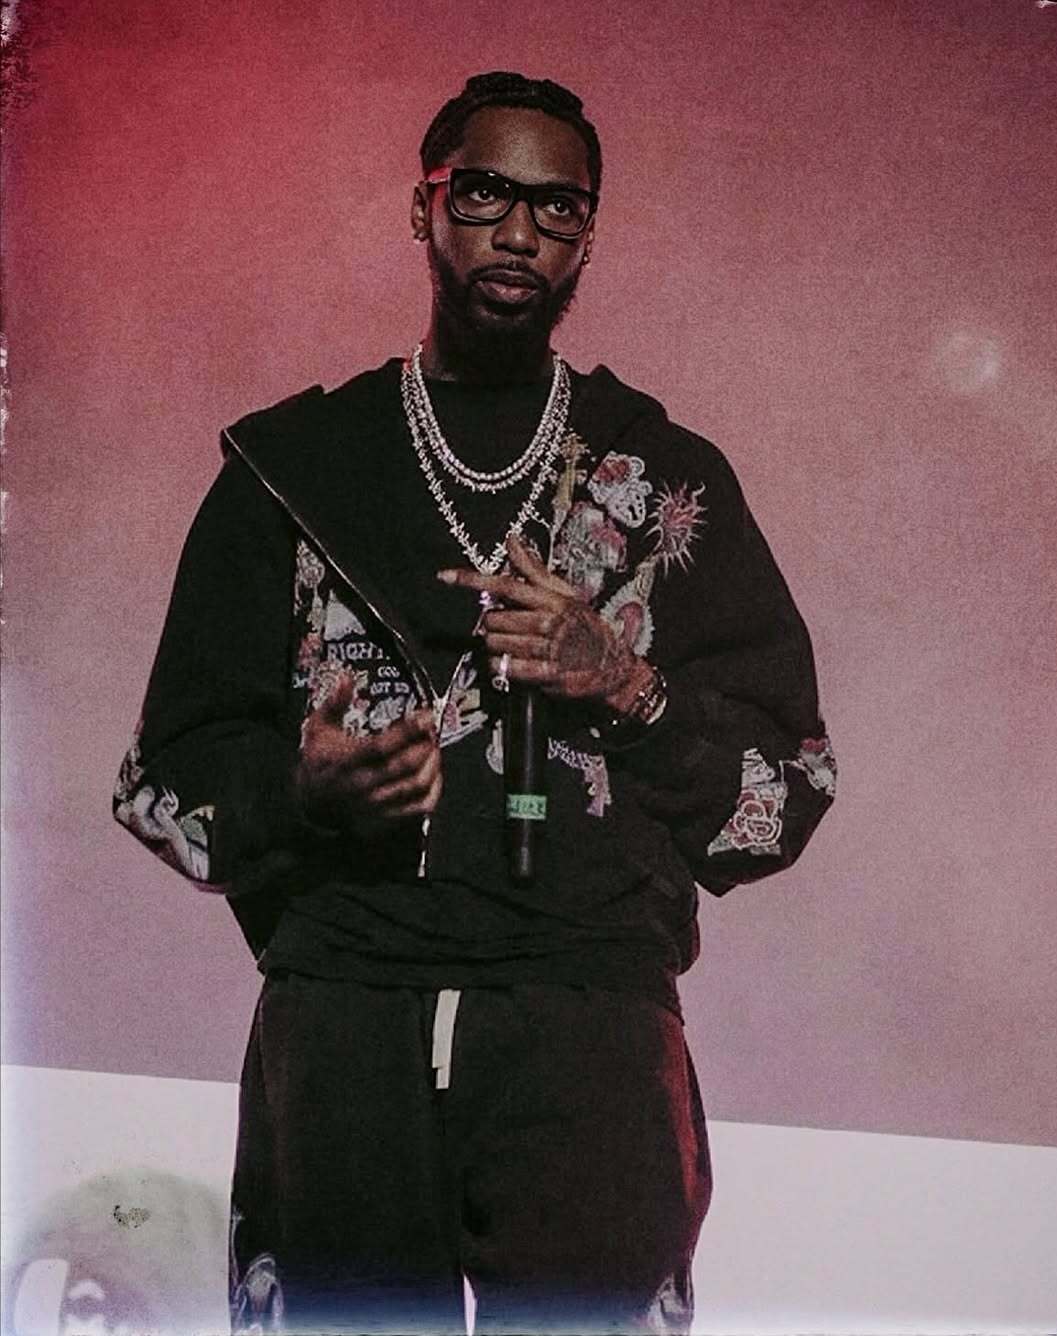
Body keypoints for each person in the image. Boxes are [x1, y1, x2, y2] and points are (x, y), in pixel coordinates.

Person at [114, 71, 836, 1336]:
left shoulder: (668, 480)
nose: (520, 232)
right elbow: (162, 778)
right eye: (486, 194)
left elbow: (787, 794)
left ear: (588, 236)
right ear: (425, 207)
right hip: (347, 1010)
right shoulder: (295, 470)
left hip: (588, 1020)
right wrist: (303, 787)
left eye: (559, 207)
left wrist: (625, 683)